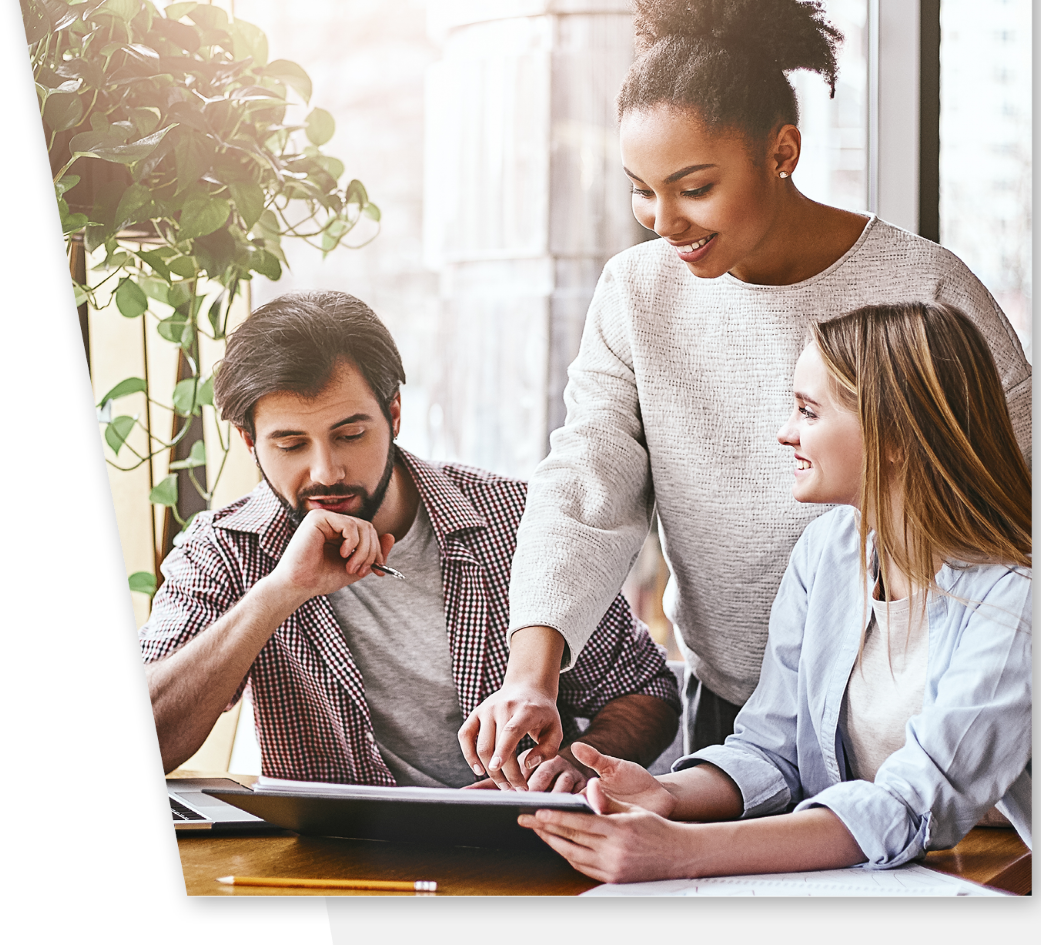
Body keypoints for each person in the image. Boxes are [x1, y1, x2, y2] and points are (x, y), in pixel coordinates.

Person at [458, 0, 1032, 790]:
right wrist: (530, 674)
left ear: (783, 152)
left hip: (927, 709)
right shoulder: (636, 293)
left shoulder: (925, 287)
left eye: (693, 187)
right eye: (641, 189)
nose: (663, 219)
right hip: (739, 720)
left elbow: (1020, 496)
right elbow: (587, 484)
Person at [518, 302, 1031, 880]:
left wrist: (681, 853)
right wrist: (666, 794)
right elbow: (771, 748)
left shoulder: (1022, 597)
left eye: (809, 412)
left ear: (896, 436)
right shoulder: (828, 554)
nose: (785, 432)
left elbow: (912, 803)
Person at [140, 291, 679, 790]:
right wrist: (280, 590)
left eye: (350, 435)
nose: (325, 471)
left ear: (394, 413)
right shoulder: (224, 549)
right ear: (248, 442)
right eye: (290, 444)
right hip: (337, 865)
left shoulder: (521, 521)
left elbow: (646, 690)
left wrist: (577, 764)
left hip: (516, 849)